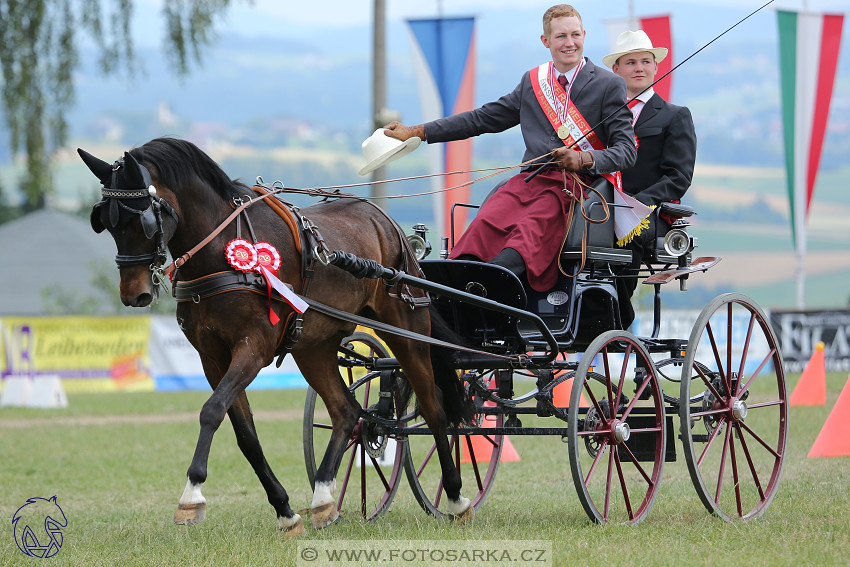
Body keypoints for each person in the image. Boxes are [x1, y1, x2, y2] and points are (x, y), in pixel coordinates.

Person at [385, 4, 636, 293]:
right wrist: (417, 132)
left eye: (575, 35)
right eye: (561, 36)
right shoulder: (533, 82)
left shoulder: (608, 84)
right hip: (526, 182)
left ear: (584, 35)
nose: (570, 43)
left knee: (527, 235)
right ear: (546, 41)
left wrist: (583, 158)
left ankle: (495, 284)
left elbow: (626, 151)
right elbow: (481, 118)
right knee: (484, 226)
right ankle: (452, 288)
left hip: (572, 188)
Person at [604, 30, 697, 327]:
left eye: (646, 61)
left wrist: (638, 203)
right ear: (616, 70)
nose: (640, 68)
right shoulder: (603, 116)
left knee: (622, 232)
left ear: (656, 67)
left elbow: (679, 176)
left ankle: (617, 316)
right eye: (631, 62)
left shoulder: (674, 115)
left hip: (650, 212)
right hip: (602, 207)